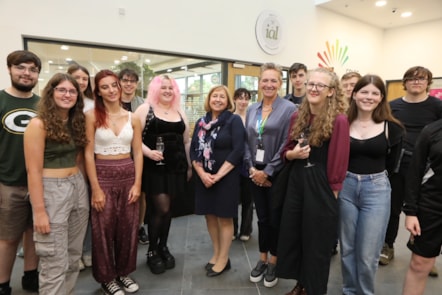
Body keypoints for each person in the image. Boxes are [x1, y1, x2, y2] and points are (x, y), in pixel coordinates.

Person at [277, 67, 350, 295]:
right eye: (311, 84)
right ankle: (300, 284)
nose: (314, 88)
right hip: (297, 181)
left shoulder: (338, 120)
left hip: (322, 186)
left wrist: (332, 195)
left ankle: (314, 289)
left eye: (320, 85)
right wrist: (293, 155)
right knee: (295, 235)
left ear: (331, 92)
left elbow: (338, 160)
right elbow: (286, 151)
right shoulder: (297, 116)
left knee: (316, 242)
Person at [24, 73, 89, 295]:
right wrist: (39, 212)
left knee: (72, 257)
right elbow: (33, 171)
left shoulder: (75, 121)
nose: (67, 95)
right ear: (50, 93)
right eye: (61, 90)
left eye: (72, 91)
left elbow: (79, 159)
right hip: (51, 190)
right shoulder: (38, 124)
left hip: (77, 186)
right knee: (54, 260)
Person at [338, 74, 404, 295]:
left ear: (381, 98)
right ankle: (349, 290)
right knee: (347, 248)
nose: (369, 97)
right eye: (364, 91)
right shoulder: (341, 122)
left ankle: (365, 292)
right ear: (354, 94)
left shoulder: (392, 128)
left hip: (376, 189)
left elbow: (394, 166)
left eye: (375, 93)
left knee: (368, 253)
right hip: (346, 186)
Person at [84, 70, 142, 295]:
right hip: (103, 175)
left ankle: (124, 272)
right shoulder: (91, 116)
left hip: (128, 174)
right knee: (103, 229)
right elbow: (88, 154)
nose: (111, 90)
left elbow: (137, 153)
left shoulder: (132, 117)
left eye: (114, 85)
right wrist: (96, 188)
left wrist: (137, 184)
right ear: (98, 91)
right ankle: (107, 277)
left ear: (120, 87)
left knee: (128, 227)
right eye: (104, 87)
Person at [381, 66, 442, 279]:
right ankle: (388, 246)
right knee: (393, 208)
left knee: (423, 212)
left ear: (428, 83)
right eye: (412, 79)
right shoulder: (392, 106)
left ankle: (425, 255)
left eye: (421, 79)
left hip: (427, 169)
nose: (416, 82)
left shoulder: (437, 106)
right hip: (399, 164)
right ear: (405, 82)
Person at [245, 63, 297, 288]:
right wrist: (252, 169)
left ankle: (274, 261)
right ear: (259, 83)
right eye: (265, 80)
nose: (269, 84)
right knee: (262, 218)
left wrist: (267, 172)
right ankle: (262, 258)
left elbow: (287, 143)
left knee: (275, 219)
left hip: (276, 172)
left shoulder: (289, 109)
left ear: (280, 83)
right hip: (254, 171)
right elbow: (247, 142)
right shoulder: (252, 109)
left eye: (273, 80)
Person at [134, 75, 192, 275]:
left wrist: (190, 166)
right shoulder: (145, 109)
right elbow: (133, 139)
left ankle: (163, 246)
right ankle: (151, 251)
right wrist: (148, 152)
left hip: (176, 168)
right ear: (155, 90)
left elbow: (186, 141)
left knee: (168, 211)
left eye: (171, 87)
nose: (167, 91)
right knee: (160, 208)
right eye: (163, 87)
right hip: (154, 169)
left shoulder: (179, 111)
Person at [190, 85, 245, 277]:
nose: (218, 99)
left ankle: (224, 258)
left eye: (222, 97)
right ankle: (216, 253)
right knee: (210, 216)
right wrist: (202, 174)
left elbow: (238, 150)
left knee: (224, 217)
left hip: (226, 178)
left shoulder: (233, 120)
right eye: (215, 96)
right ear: (209, 99)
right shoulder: (200, 122)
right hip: (204, 178)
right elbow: (194, 150)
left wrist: (218, 175)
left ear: (228, 101)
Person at [0, 50, 41, 295]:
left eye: (32, 70)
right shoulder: (1, 101)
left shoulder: (42, 104)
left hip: (40, 182)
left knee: (35, 232)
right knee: (8, 236)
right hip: (9, 182)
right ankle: (3, 282)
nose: (26, 73)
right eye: (21, 68)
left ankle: (30, 274)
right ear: (10, 69)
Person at [402, 118, 442, 295]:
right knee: (419, 265)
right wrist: (411, 211)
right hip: (431, 207)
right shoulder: (431, 131)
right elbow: (415, 171)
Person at [331, 71, 362, 256]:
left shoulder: (364, 111)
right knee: (335, 208)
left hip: (357, 169)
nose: (350, 88)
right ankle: (332, 242)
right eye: (346, 84)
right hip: (338, 168)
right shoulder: (336, 111)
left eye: (354, 84)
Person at [67, 63, 94, 270]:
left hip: (91, 162)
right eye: (77, 77)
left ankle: (85, 251)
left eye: (85, 78)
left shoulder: (93, 105)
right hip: (69, 163)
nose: (81, 82)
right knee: (70, 212)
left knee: (87, 211)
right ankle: (71, 254)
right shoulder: (65, 103)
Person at [118, 68, 148, 245]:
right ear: (119, 82)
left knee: (140, 192)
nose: (128, 84)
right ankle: (124, 227)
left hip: (139, 153)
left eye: (132, 81)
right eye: (125, 80)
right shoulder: (112, 102)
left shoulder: (143, 104)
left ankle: (139, 226)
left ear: (136, 84)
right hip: (118, 155)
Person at [232, 88, 253, 242]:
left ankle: (246, 230)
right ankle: (232, 229)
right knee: (232, 198)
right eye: (240, 98)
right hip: (232, 163)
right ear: (234, 99)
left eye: (246, 98)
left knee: (248, 199)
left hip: (249, 164)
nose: (243, 101)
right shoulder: (229, 118)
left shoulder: (253, 117)